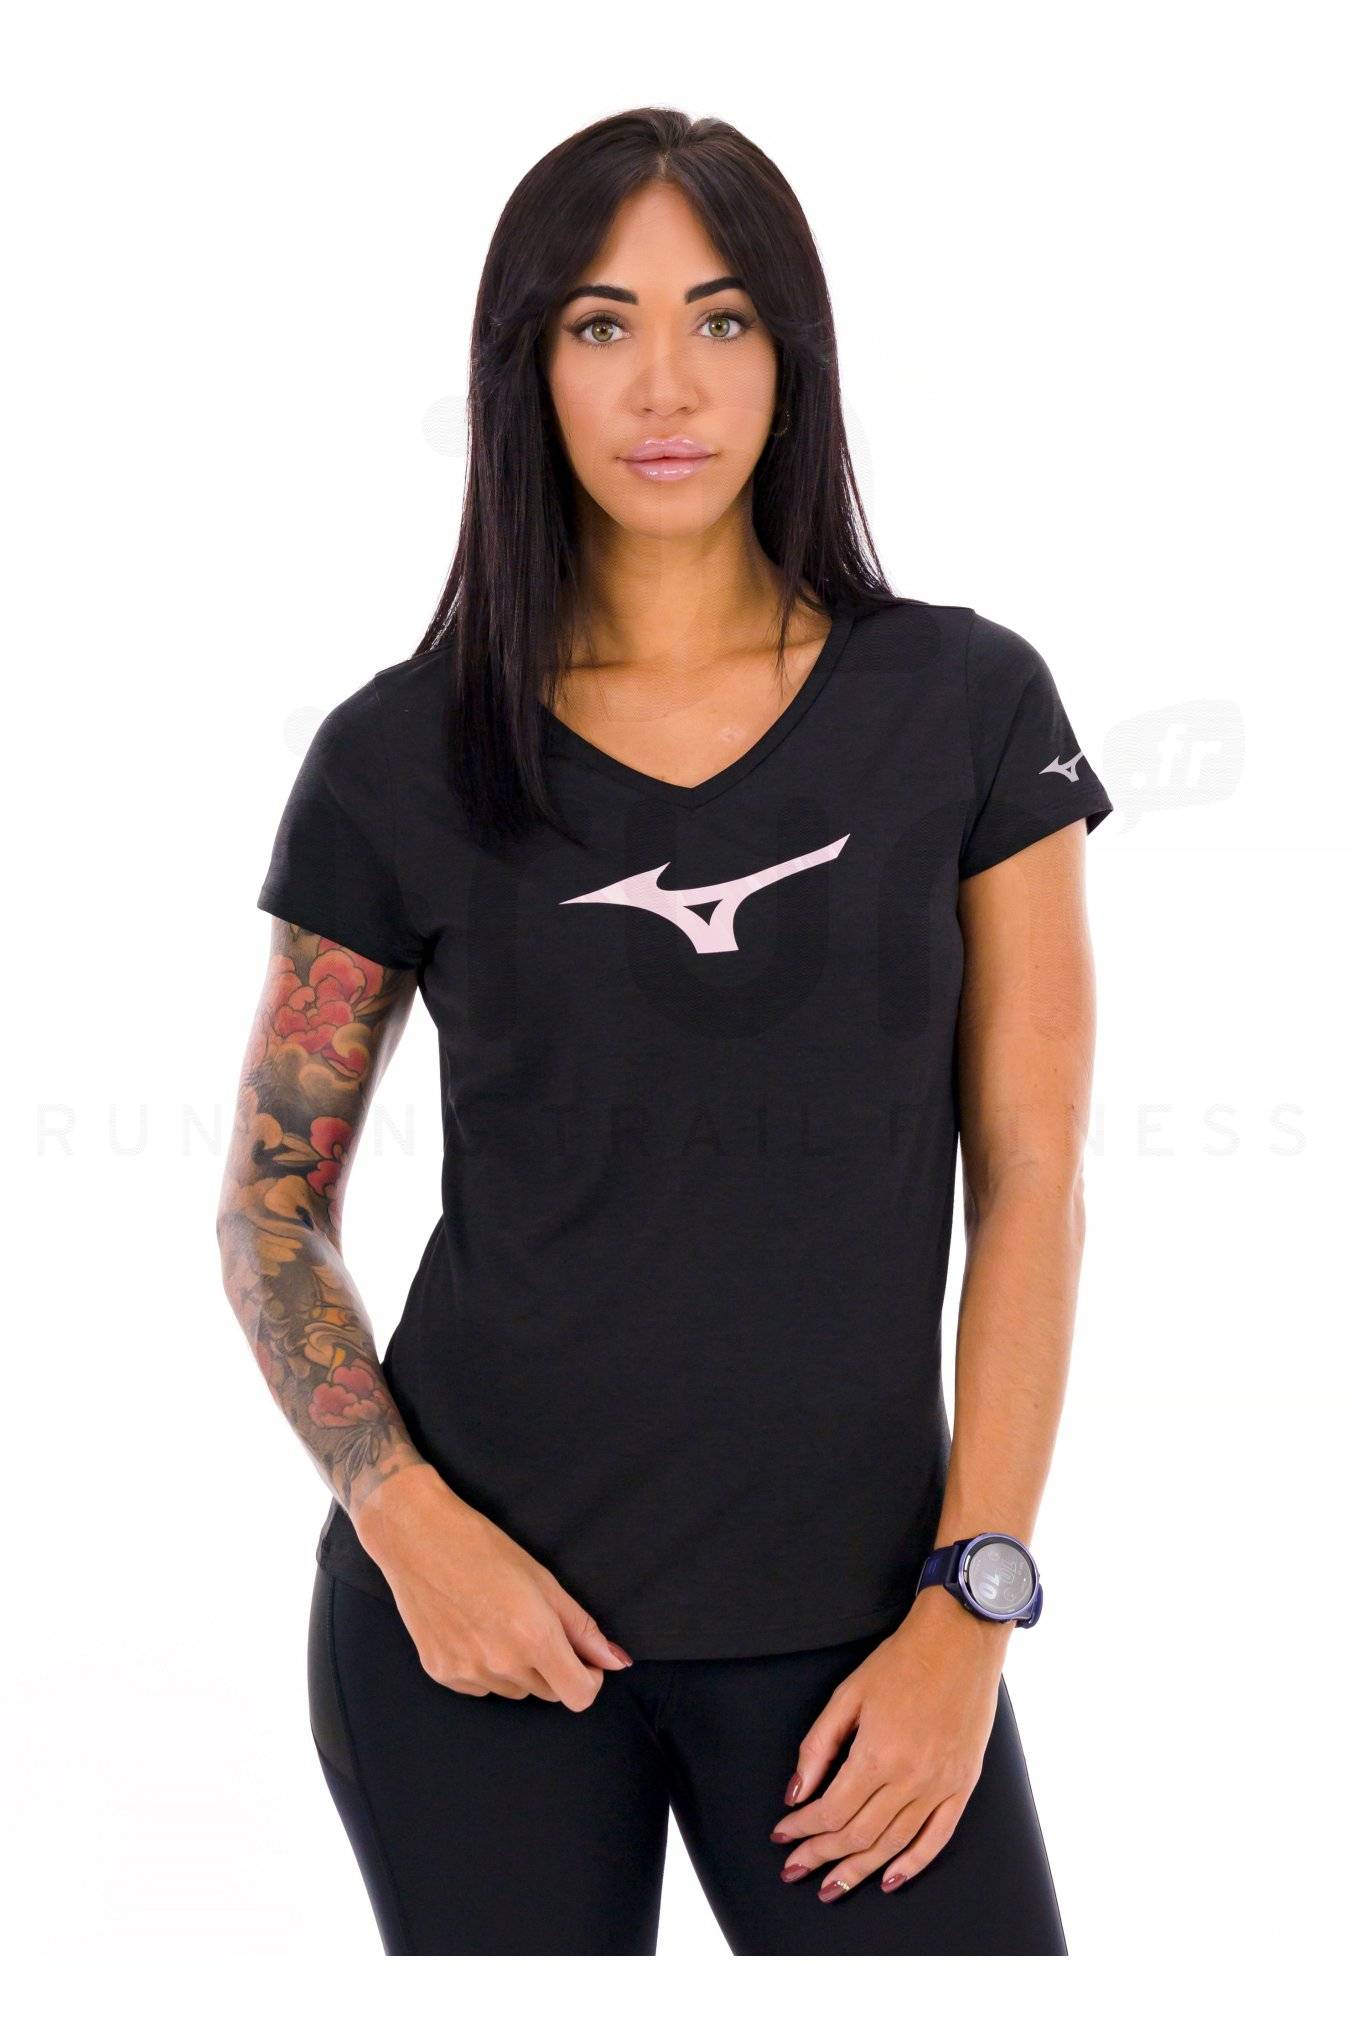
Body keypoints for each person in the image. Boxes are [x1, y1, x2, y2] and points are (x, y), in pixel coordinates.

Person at [217, 107, 1113, 1955]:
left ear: (793, 353)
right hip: (485, 1631)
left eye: (720, 318)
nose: (666, 385)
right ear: (526, 366)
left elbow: (1032, 1180)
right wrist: (407, 1524)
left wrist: (971, 1602)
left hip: (866, 1637)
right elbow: (271, 1206)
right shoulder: (401, 756)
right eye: (600, 325)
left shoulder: (963, 705)